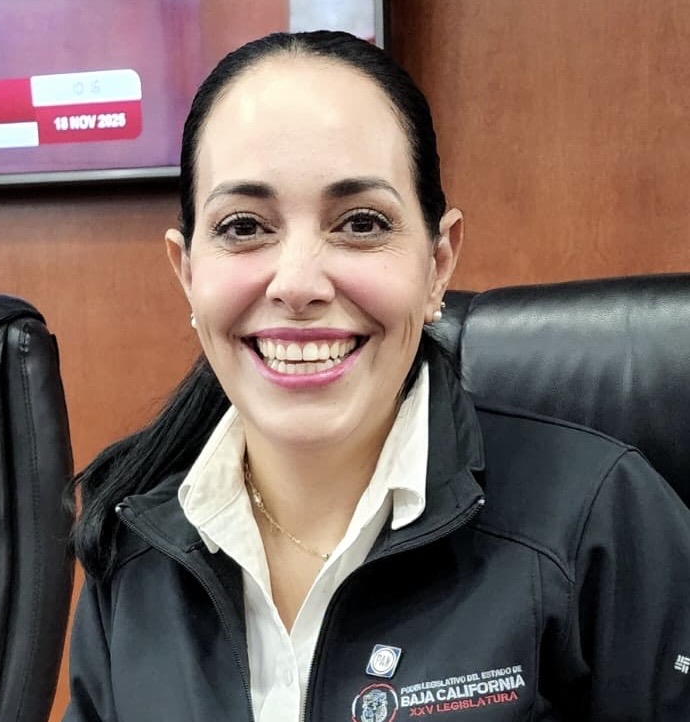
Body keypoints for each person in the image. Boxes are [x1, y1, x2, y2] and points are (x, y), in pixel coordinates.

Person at [64, 30, 690, 722]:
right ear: (187, 273)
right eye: (243, 227)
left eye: (361, 223)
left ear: (438, 263)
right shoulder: (131, 552)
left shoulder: (598, 518)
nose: (298, 284)